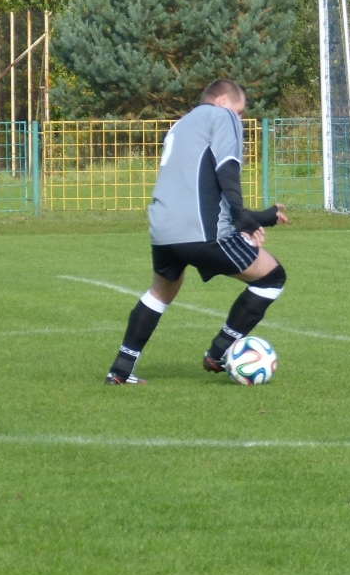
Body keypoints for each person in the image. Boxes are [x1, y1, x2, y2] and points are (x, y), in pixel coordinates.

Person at [104, 79, 288, 384]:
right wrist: (241, 216)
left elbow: (198, 190)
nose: (240, 119)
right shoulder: (222, 116)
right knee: (271, 278)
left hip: (164, 231)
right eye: (240, 112)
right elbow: (227, 170)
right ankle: (219, 352)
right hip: (202, 232)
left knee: (160, 293)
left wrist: (258, 217)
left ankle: (120, 370)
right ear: (224, 101)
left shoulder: (181, 126)